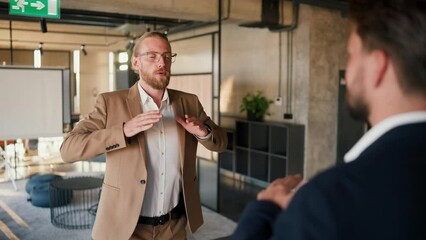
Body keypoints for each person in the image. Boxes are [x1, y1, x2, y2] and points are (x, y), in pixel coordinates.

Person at [232, 0, 426, 239]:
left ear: (378, 66)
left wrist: (263, 210)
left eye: (351, 54)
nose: (346, 74)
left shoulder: (327, 201)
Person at [60, 31, 227, 240]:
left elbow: (220, 143)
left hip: (174, 228)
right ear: (135, 63)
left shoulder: (189, 102)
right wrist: (122, 131)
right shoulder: (110, 103)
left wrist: (204, 132)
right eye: (153, 56)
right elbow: (68, 150)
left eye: (167, 56)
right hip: (126, 229)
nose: (162, 62)